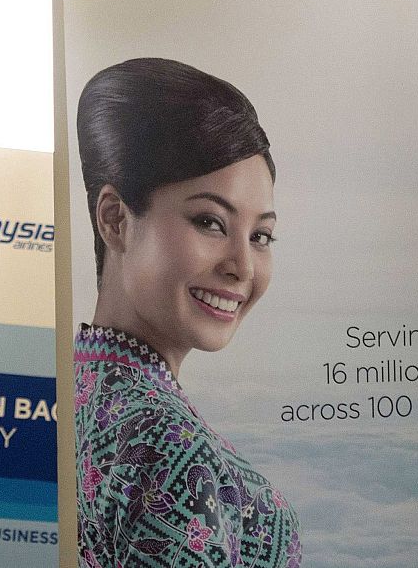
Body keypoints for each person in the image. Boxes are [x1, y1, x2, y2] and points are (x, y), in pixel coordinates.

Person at [75, 57, 301, 568]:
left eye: (260, 236)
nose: (243, 266)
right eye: (210, 222)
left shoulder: (71, 393)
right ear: (116, 220)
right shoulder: (164, 447)